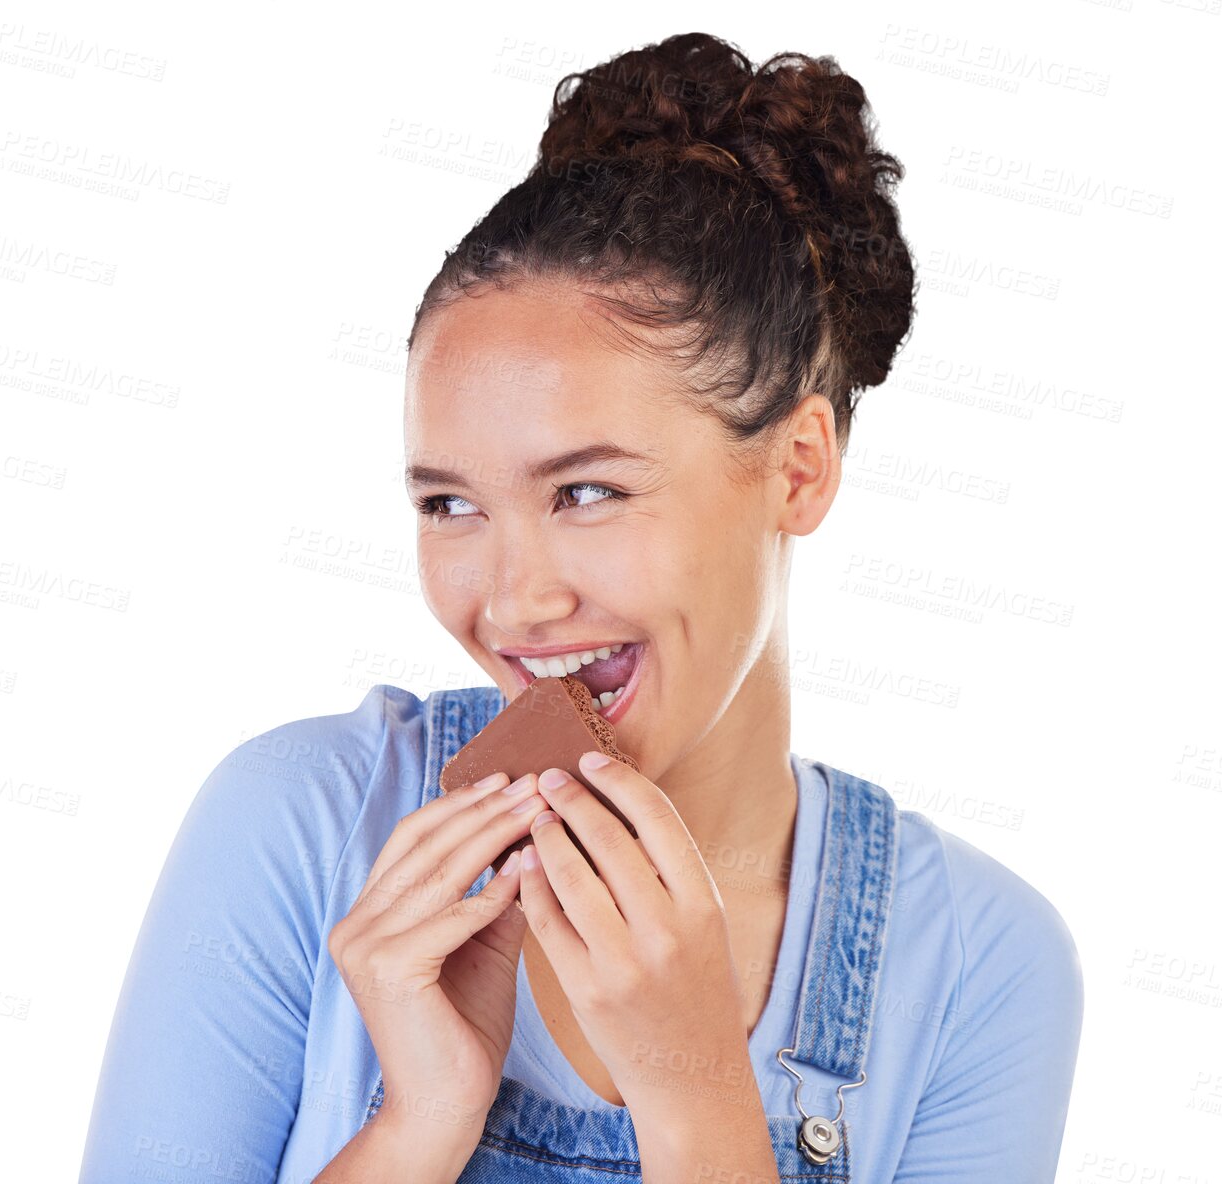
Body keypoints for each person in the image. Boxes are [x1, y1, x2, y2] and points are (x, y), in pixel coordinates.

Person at [79, 32, 1084, 1184]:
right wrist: (416, 1121)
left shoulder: (978, 964)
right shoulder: (300, 825)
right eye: (450, 503)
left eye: (587, 490)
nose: (512, 598)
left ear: (797, 468)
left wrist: (695, 1087)